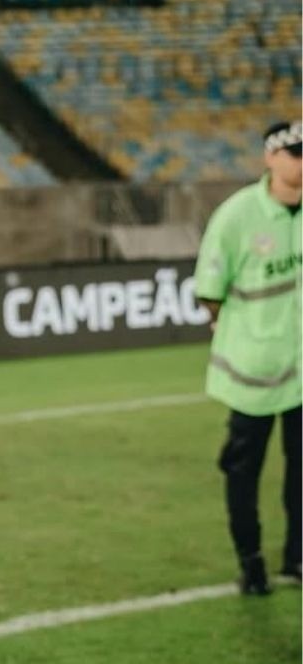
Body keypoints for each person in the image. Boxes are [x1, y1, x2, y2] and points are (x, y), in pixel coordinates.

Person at [195, 120, 302, 596]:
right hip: (252, 374)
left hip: (301, 373)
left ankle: (298, 556)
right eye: (295, 152)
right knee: (243, 472)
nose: (302, 162)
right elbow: (210, 290)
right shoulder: (237, 215)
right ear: (270, 157)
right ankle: (251, 562)